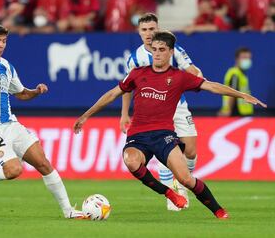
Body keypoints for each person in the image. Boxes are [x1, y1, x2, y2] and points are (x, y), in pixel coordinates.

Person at [74, 31, 267, 219]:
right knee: (131, 161)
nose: (157, 53)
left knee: (186, 179)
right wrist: (85, 115)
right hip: (138, 136)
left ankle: (218, 210)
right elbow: (111, 94)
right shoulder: (137, 73)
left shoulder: (179, 77)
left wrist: (242, 95)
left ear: (171, 52)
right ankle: (169, 194)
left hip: (164, 136)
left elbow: (211, 86)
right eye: (154, 49)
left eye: (161, 49)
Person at [0, 23, 84, 219]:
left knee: (43, 163)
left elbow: (21, 94)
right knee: (14, 170)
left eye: (4, 41)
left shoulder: (7, 66)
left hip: (11, 125)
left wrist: (36, 91)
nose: (1, 45)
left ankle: (69, 211)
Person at [121, 13, 202, 211]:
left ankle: (184, 183)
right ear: (139, 33)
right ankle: (171, 192)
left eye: (152, 29)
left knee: (190, 150)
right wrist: (124, 114)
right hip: (154, 109)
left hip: (178, 105)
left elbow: (190, 69)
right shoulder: (135, 59)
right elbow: (127, 87)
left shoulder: (173, 49)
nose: (149, 33)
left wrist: (197, 75)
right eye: (144, 30)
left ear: (158, 29)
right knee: (162, 147)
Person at [218, 47, 253, 116]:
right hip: (236, 113)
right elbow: (232, 92)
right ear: (237, 59)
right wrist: (228, 111)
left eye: (249, 58)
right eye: (244, 58)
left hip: (244, 112)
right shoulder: (235, 74)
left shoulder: (241, 74)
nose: (247, 60)